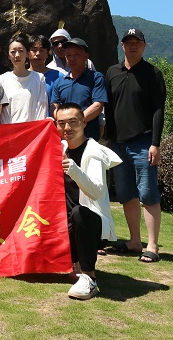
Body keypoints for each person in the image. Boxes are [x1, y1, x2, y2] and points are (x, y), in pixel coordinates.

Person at [105, 28, 166, 264]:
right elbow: (108, 108)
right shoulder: (112, 72)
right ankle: (134, 241)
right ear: (122, 46)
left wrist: (155, 144)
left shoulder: (153, 73)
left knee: (148, 194)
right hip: (118, 144)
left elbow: (158, 110)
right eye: (128, 42)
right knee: (126, 194)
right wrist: (108, 139)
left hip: (143, 142)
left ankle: (152, 246)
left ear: (144, 46)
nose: (132, 46)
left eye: (137, 43)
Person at [55, 103, 122, 300]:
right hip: (64, 224)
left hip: (91, 224)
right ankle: (72, 260)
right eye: (61, 123)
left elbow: (96, 191)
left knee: (80, 213)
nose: (67, 128)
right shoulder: (60, 147)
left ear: (84, 122)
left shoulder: (94, 152)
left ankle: (89, 278)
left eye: (73, 122)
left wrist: (74, 170)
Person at [50, 38, 106, 142]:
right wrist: (66, 123)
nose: (72, 58)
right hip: (66, 139)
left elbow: (98, 105)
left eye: (76, 54)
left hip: (89, 137)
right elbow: (54, 106)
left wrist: (76, 122)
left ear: (86, 56)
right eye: (68, 55)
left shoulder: (96, 78)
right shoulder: (59, 82)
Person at [0, 34, 48, 124]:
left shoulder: (39, 78)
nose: (17, 55)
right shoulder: (2, 79)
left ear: (27, 54)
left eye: (21, 51)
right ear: (8, 55)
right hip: (10, 130)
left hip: (33, 130)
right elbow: (1, 112)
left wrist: (36, 129)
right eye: (13, 52)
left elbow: (42, 107)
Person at [28, 34, 61, 116]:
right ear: (27, 53)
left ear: (47, 54)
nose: (38, 54)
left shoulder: (59, 76)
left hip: (50, 122)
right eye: (34, 50)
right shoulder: (21, 77)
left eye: (42, 50)